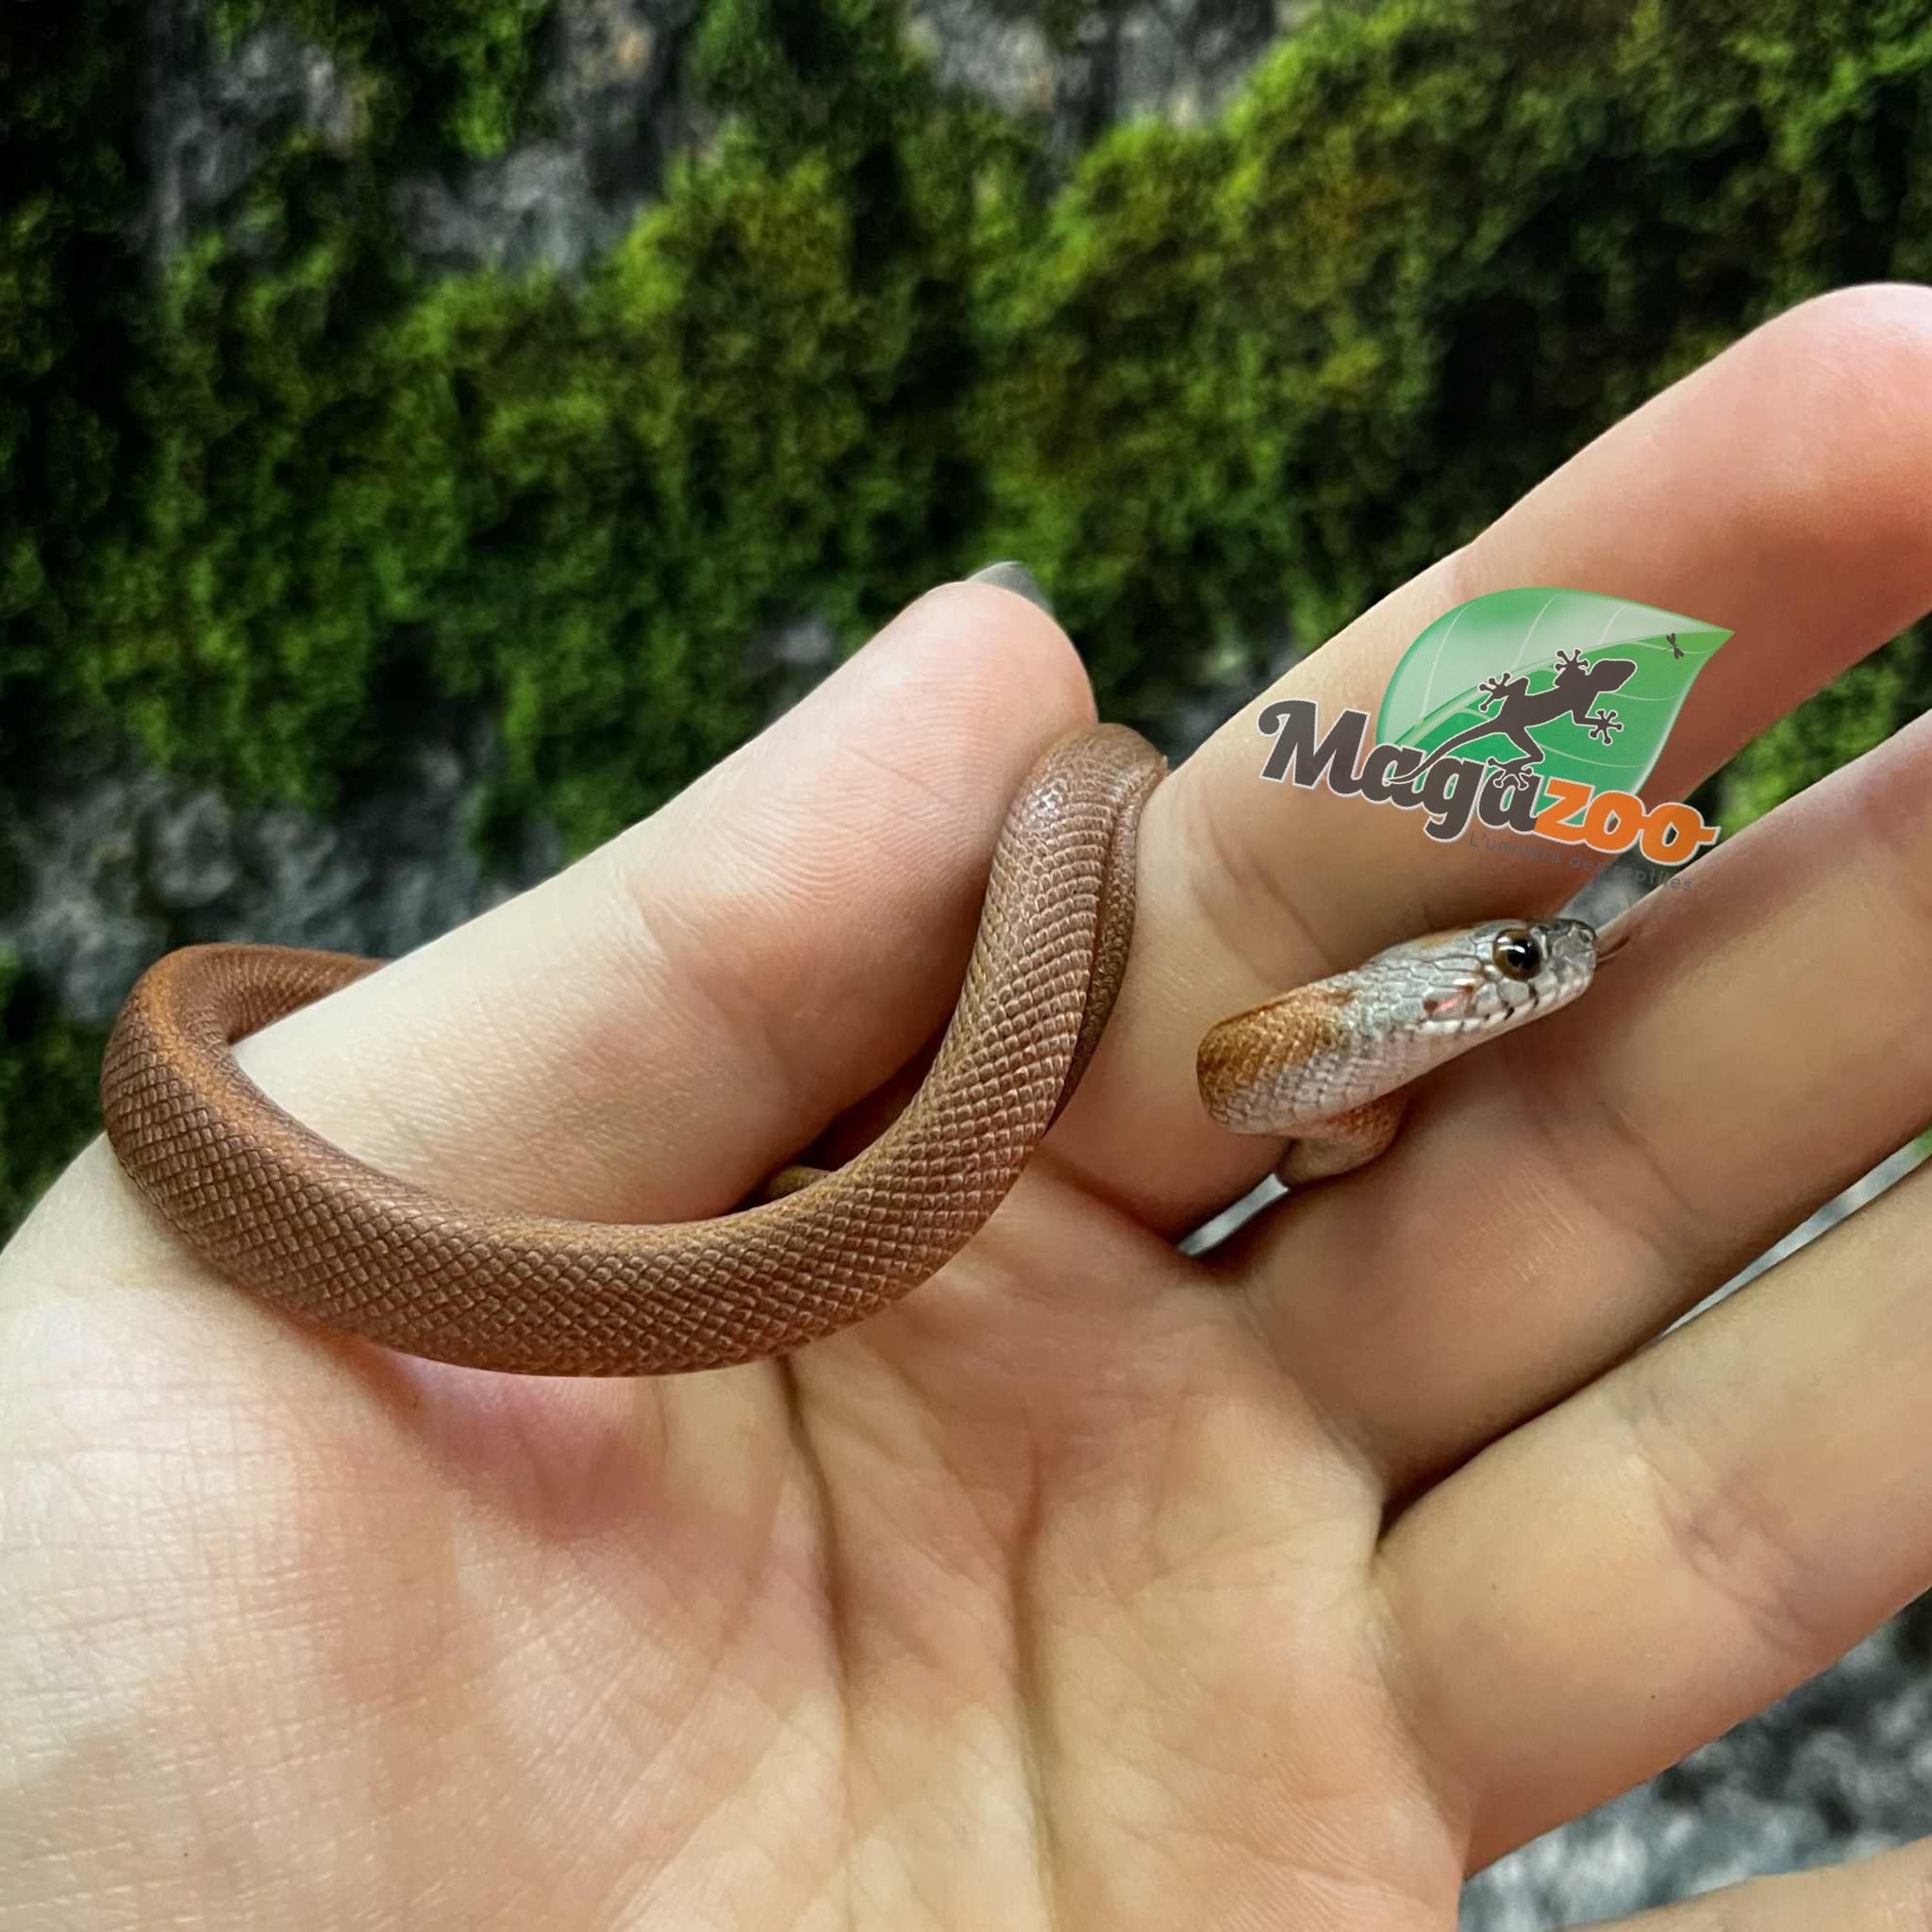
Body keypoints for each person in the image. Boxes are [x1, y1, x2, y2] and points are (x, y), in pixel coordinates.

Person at [4, 283, 1932, 1930]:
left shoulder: (1318, 1073)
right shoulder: (1219, 1047)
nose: (1539, 969)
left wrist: (1338, 1113)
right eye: (1509, 958)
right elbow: (1229, 1035)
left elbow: (1271, 1065)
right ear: (1413, 987)